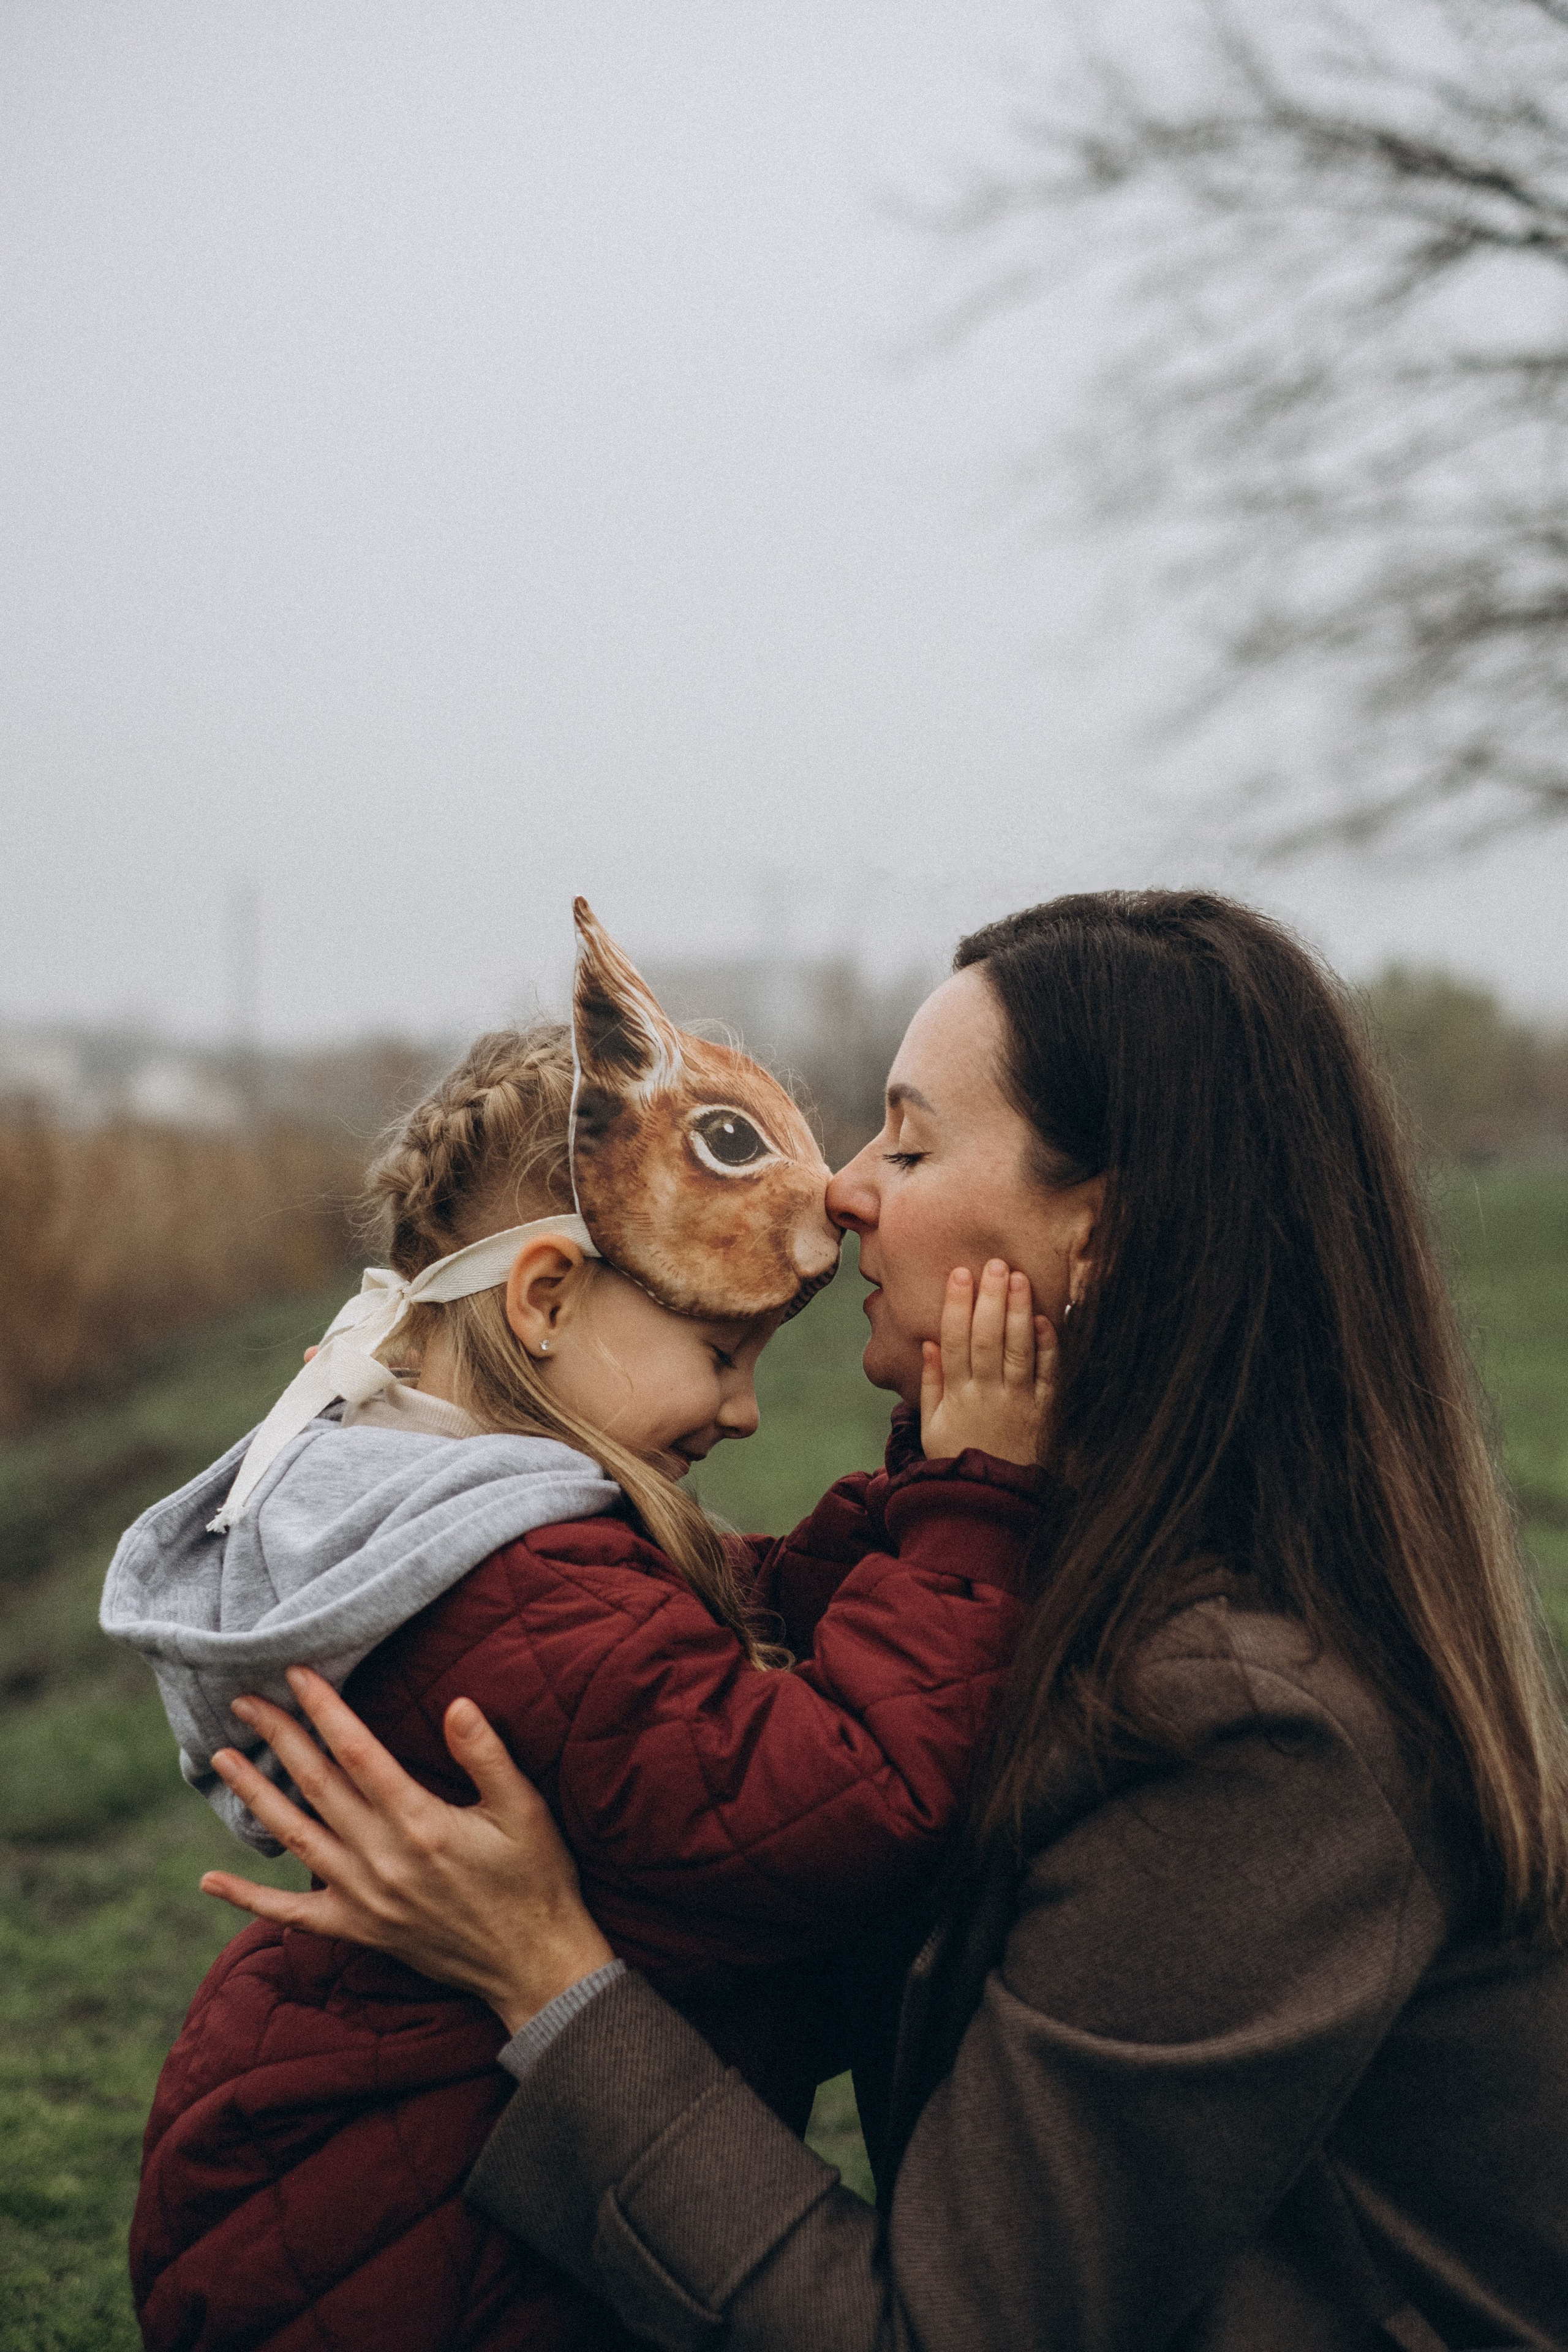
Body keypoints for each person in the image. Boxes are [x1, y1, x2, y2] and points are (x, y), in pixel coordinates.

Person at [208, 891, 1568, 2351]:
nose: (844, 1190)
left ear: (1101, 1237)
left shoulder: (1253, 1735)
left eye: (907, 1146)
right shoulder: (1061, 1566)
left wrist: (543, 1973)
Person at [104, 903, 1057, 2352]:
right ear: (545, 1298)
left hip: (360, 2184)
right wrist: (972, 1516)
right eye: (719, 1351)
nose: (744, 1410)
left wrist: (913, 1492)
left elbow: (726, 1620)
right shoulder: (514, 1587)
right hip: (421, 2250)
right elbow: (835, 1802)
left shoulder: (460, 1538)